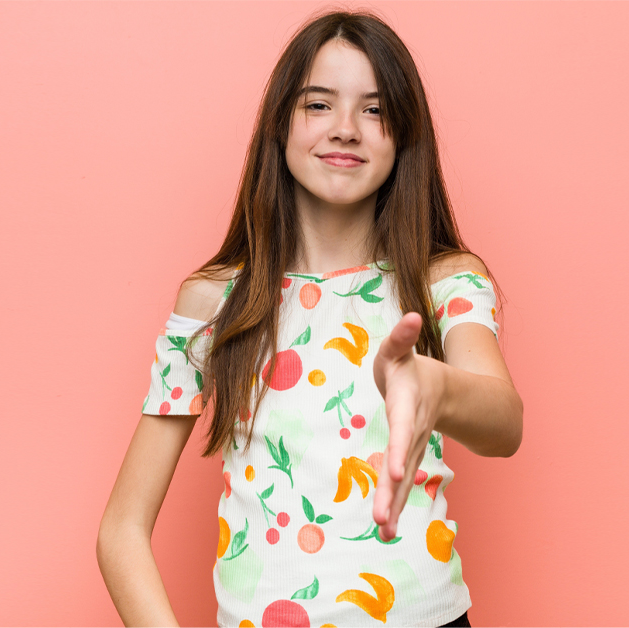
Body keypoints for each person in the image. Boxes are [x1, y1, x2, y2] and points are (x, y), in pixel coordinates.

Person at [97, 10, 523, 627]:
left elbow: (504, 424)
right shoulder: (215, 301)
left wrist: (437, 386)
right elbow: (121, 530)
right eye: (318, 105)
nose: (346, 129)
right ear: (280, 125)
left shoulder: (441, 280)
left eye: (375, 111)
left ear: (405, 136)